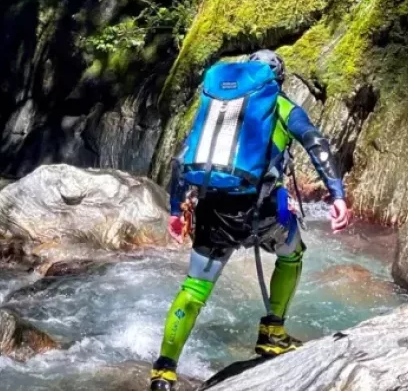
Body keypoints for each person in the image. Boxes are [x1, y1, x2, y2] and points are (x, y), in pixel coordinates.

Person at [148, 50, 350, 390]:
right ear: (277, 79)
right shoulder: (281, 106)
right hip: (264, 212)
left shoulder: (218, 109)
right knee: (292, 253)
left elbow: (182, 160)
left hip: (213, 210)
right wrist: (337, 194)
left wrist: (175, 210)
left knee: (194, 289)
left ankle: (164, 370)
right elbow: (315, 142)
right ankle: (273, 331)